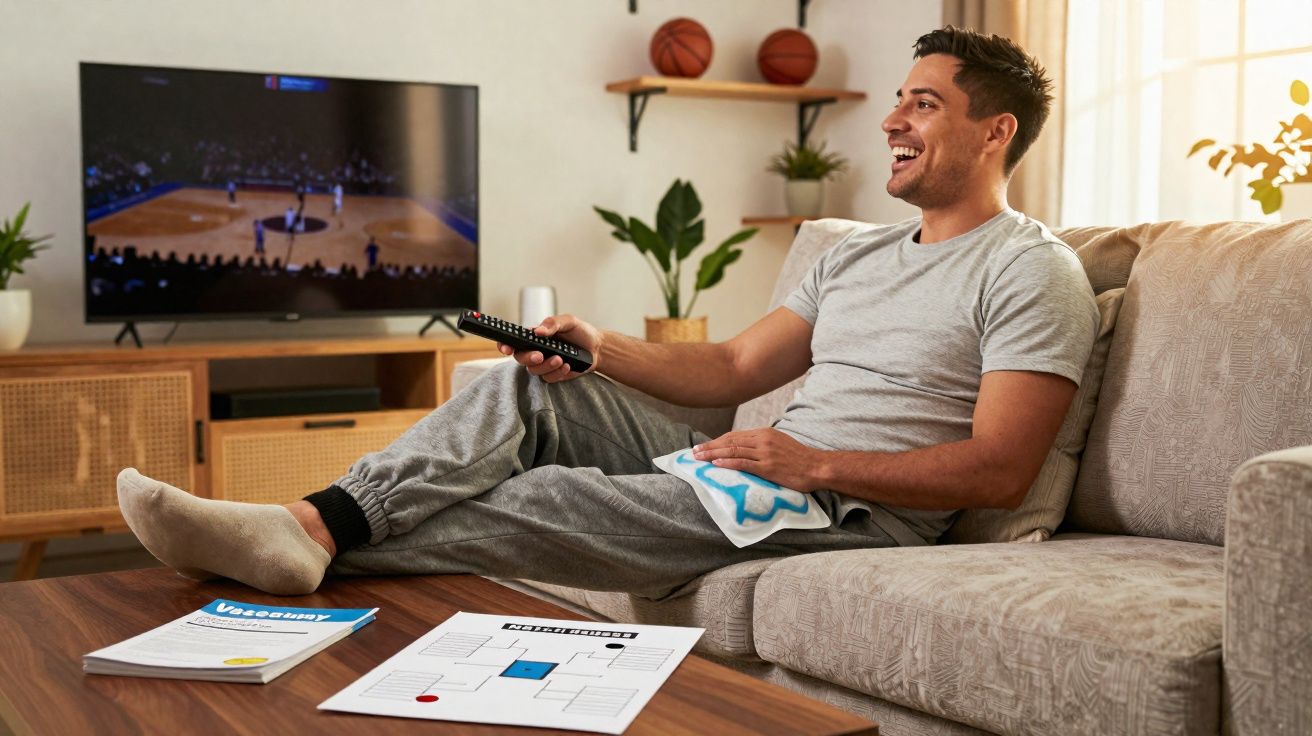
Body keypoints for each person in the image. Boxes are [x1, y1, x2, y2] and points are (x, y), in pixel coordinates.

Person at [116, 26, 1099, 597]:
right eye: (897, 99)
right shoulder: (859, 255)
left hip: (850, 510)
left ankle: (284, 550)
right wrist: (601, 351)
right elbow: (731, 372)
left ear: (994, 130)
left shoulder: (1029, 269)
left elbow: (1001, 465)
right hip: (767, 474)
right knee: (523, 394)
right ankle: (312, 525)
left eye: (922, 104)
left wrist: (812, 462)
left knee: (543, 500)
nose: (890, 119)